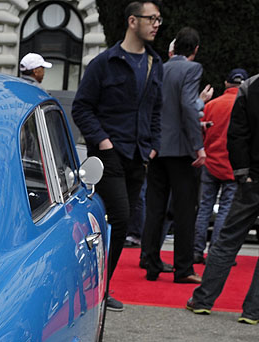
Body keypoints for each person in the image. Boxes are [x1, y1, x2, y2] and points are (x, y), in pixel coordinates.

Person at [71, 1, 163, 311]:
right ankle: (93, 286)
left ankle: (102, 286)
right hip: (109, 154)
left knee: (123, 224)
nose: (156, 24)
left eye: (159, 20)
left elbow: (156, 109)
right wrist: (104, 142)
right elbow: (81, 107)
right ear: (132, 21)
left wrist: (154, 144)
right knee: (120, 216)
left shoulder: (155, 64)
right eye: (151, 19)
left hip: (139, 154)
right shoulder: (105, 63)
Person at [187, 72, 259, 325]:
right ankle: (253, 310)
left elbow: (237, 135)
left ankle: (203, 299)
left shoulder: (249, 88)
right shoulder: (248, 89)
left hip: (248, 175)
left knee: (227, 237)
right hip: (246, 174)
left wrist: (242, 172)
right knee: (226, 233)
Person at [140, 27, 206, 284]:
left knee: (155, 207)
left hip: (157, 147)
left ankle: (151, 263)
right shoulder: (192, 69)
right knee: (185, 210)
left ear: (174, 48)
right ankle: (183, 269)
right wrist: (198, 145)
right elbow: (189, 106)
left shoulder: (159, 68)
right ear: (195, 49)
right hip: (181, 150)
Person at [192, 68, 249, 263]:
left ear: (226, 83)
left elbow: (199, 133)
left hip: (210, 161)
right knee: (226, 208)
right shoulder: (246, 106)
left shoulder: (211, 105)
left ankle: (196, 251)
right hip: (233, 165)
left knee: (205, 207)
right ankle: (216, 253)